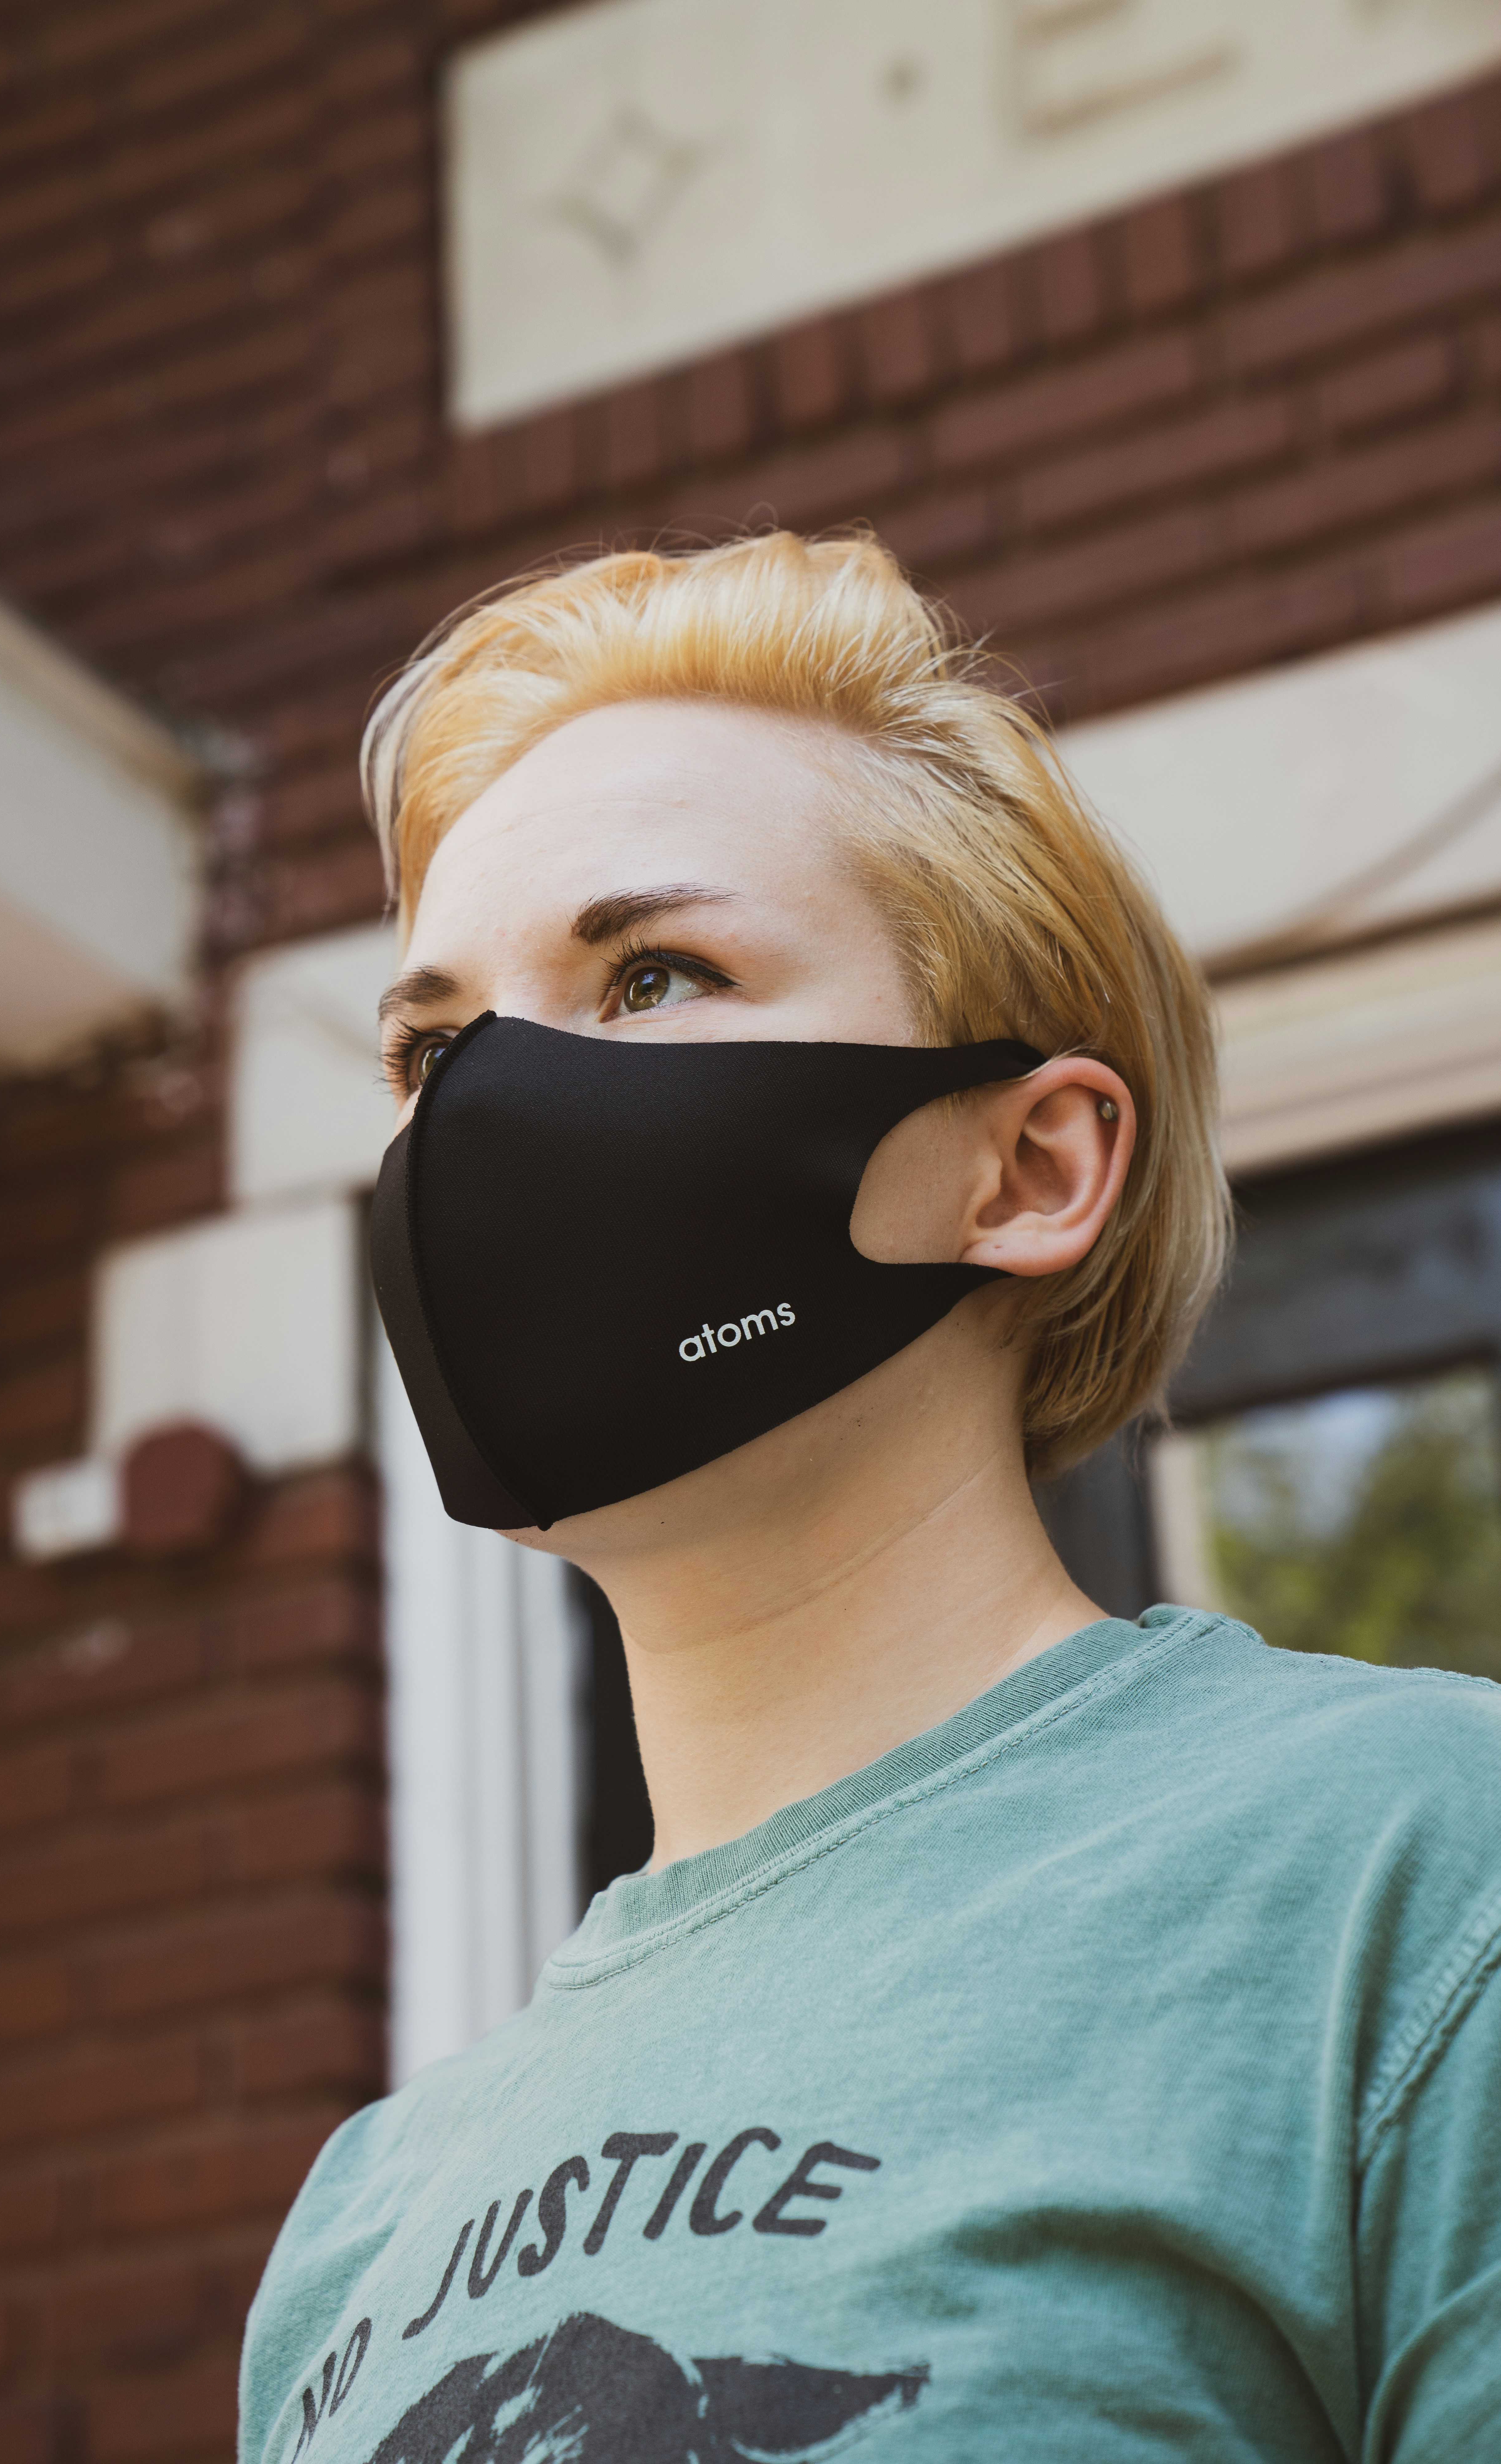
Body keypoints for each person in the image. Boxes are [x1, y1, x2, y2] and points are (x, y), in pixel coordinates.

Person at [238, 533, 1501, 2463]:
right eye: (428, 1045)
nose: (487, 1113)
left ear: (1025, 1169)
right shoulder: (358, 2222)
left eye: (652, 972)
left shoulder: (1411, 1883)